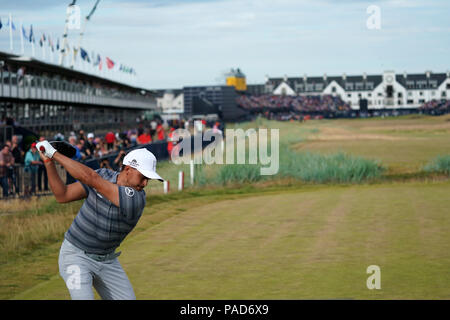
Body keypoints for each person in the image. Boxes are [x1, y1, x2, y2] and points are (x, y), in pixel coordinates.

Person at [36, 140, 164, 300]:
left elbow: (92, 178)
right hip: (76, 255)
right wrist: (49, 162)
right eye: (143, 176)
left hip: (108, 261)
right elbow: (63, 195)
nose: (145, 183)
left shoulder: (136, 198)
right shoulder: (104, 175)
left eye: (148, 179)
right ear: (129, 169)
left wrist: (54, 153)